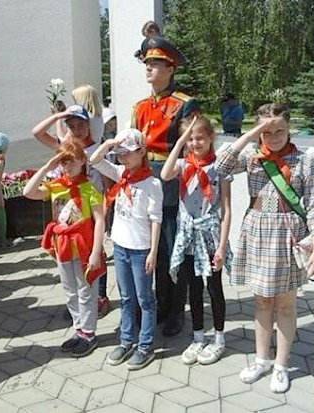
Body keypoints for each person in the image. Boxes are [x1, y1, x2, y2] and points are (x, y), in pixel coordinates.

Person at [215, 103, 314, 393]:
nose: (273, 136)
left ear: (289, 129)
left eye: (279, 130)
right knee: (262, 301)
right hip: (258, 231)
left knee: (286, 304)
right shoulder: (252, 156)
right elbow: (219, 166)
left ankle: (281, 364)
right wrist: (252, 135)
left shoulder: (303, 161)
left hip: (287, 234)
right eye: (267, 131)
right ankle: (262, 359)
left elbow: (313, 204)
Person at [131, 36, 200, 337]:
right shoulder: (140, 106)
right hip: (146, 180)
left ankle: (176, 311)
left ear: (170, 69)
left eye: (154, 63)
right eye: (146, 63)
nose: (148, 67)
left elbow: (193, 149)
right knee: (152, 248)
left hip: (171, 182)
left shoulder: (185, 105)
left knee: (173, 248)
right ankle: (158, 304)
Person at [23, 140, 105, 357]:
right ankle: (79, 330)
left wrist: (97, 250)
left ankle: (89, 333)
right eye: (63, 162)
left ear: (82, 162)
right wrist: (46, 168)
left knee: (86, 290)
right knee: (70, 291)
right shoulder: (56, 185)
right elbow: (28, 192)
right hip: (63, 247)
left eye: (72, 162)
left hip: (83, 246)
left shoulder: (90, 188)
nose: (67, 167)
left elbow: (100, 221)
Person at [160, 116, 231, 365]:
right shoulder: (182, 164)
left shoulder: (219, 167)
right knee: (194, 290)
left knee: (214, 288)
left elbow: (227, 209)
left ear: (211, 137)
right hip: (189, 237)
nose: (194, 142)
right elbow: (165, 173)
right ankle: (198, 336)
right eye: (190, 138)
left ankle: (219, 339)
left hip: (210, 236)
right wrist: (180, 141)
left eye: (199, 137)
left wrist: (222, 246)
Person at [90, 128, 163, 371]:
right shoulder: (120, 173)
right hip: (120, 246)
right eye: (120, 154)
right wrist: (111, 142)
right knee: (126, 297)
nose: (123, 158)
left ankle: (146, 345)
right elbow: (94, 160)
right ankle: (126, 340)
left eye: (128, 153)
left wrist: (153, 251)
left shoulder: (152, 183)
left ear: (142, 152)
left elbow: (156, 219)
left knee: (144, 299)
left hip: (141, 249)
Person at [32, 104, 110, 317]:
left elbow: (106, 180)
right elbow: (37, 133)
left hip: (92, 206)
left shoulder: (96, 148)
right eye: (72, 125)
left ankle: (99, 298)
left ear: (88, 124)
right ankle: (80, 306)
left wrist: (105, 207)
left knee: (95, 254)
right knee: (73, 260)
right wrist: (59, 116)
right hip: (69, 209)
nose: (77, 129)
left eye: (81, 124)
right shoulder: (63, 147)